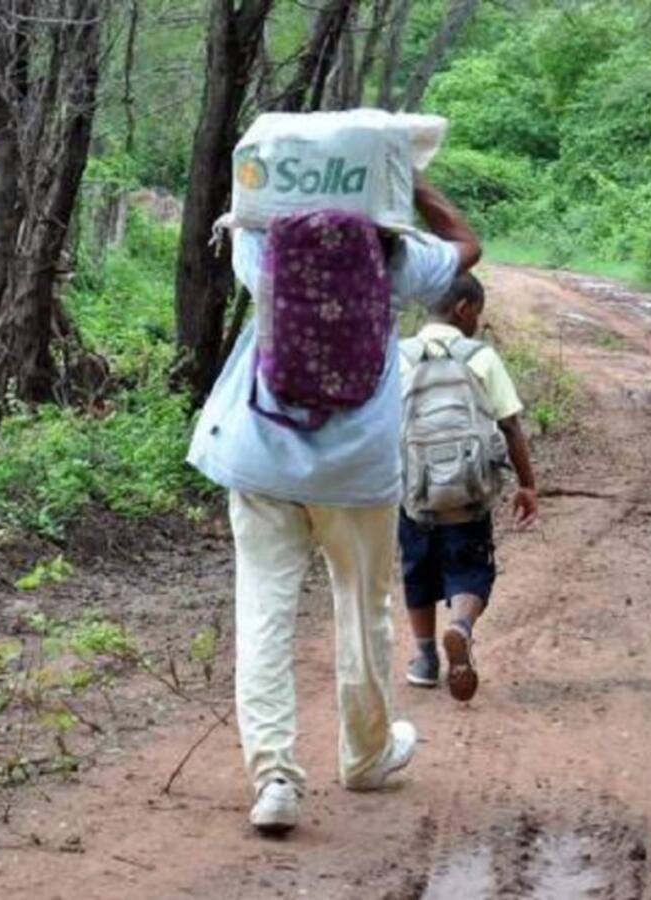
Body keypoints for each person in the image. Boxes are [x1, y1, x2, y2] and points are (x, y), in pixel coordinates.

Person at [186, 173, 481, 836]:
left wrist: (269, 182)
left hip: (261, 455)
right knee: (361, 609)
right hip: (355, 469)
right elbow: (468, 244)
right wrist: (418, 184)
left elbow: (243, 204)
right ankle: (367, 756)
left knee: (263, 611)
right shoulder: (396, 261)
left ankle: (274, 779)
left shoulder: (267, 252)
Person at [398, 273, 539, 701]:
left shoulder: (399, 355)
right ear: (463, 307)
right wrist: (527, 485)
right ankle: (460, 626)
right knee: (471, 568)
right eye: (478, 311)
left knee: (417, 570)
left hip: (414, 492)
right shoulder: (480, 357)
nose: (479, 320)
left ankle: (424, 658)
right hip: (469, 492)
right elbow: (510, 425)